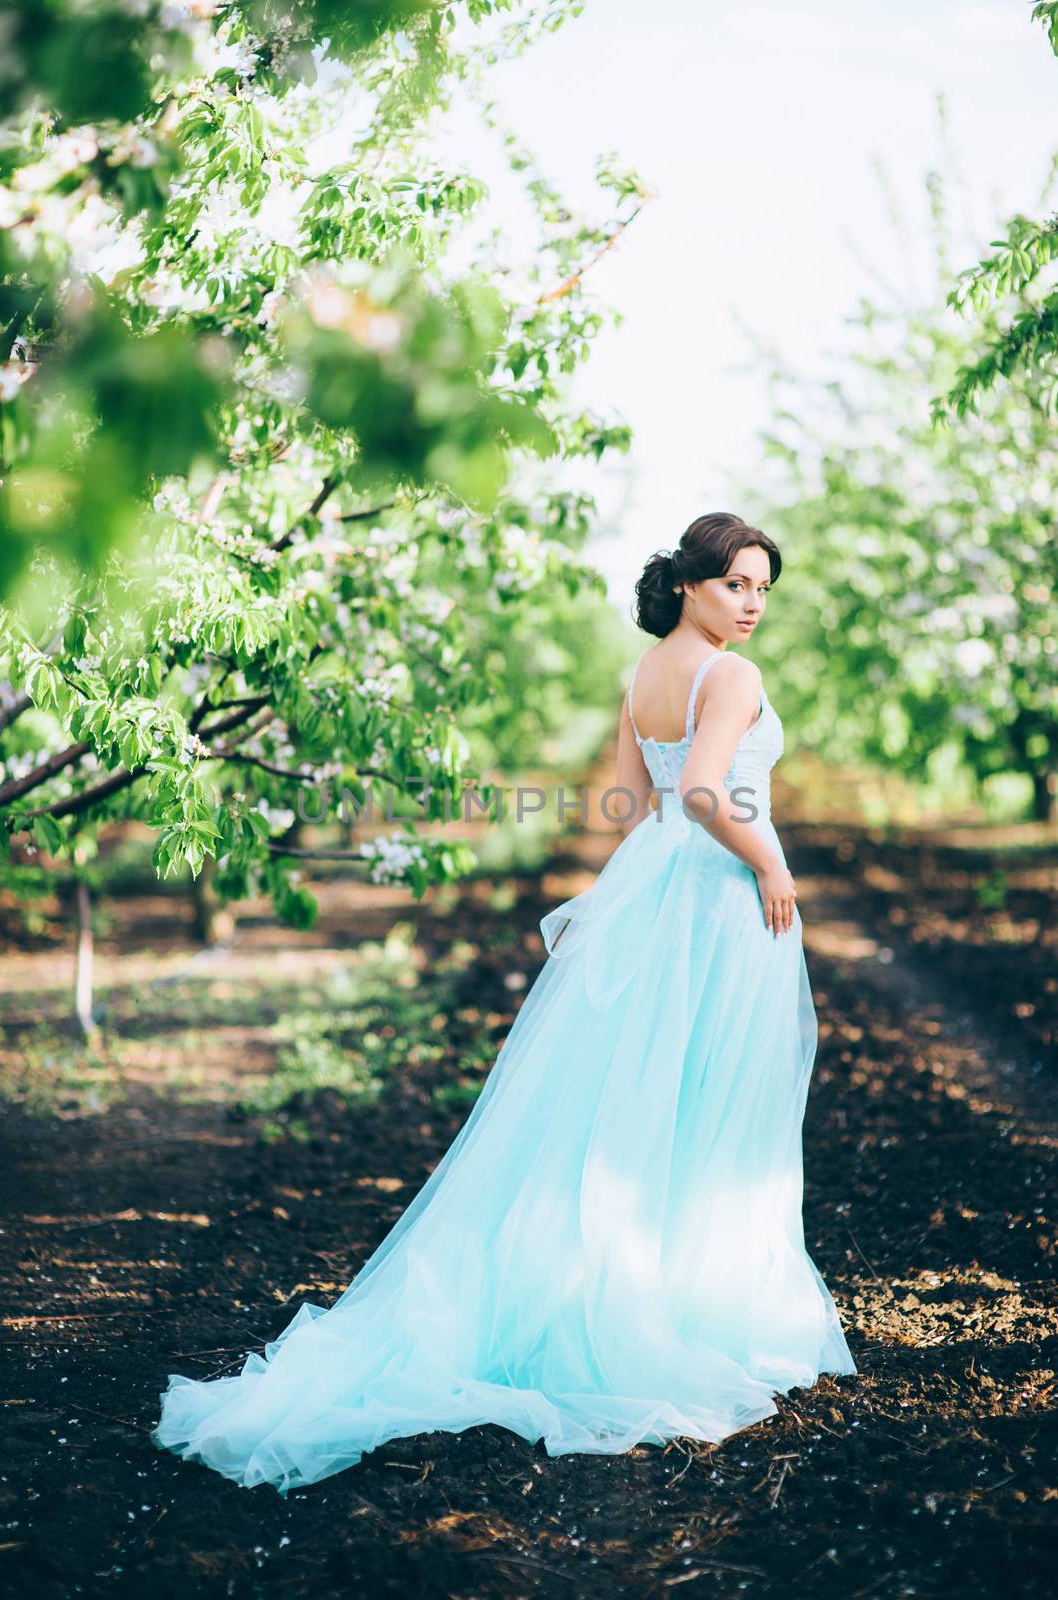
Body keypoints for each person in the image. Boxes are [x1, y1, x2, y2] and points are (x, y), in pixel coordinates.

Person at [151, 511, 857, 1495]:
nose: (753, 605)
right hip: (720, 901)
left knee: (634, 1102)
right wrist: (772, 865)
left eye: (764, 589)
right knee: (705, 1109)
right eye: (738, 583)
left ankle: (644, 1290)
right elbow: (702, 791)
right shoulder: (729, 677)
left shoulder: (644, 675)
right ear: (692, 583)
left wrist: (624, 897)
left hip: (664, 896)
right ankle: (688, 1309)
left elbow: (632, 803)